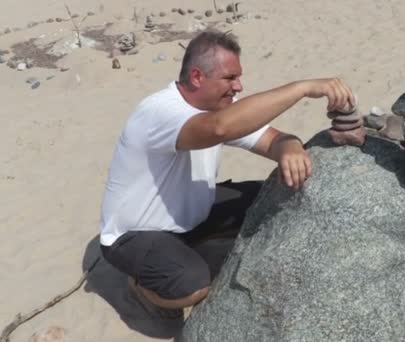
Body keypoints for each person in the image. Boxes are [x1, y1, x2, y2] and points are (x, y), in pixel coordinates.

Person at [98, 28, 355, 310]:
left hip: (193, 212)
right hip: (134, 234)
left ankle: (190, 248)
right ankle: (140, 288)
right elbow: (221, 128)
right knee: (191, 286)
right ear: (197, 77)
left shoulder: (215, 109)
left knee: (276, 195)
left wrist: (289, 145)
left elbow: (269, 139)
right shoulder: (159, 112)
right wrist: (302, 88)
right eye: (230, 78)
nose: (239, 87)